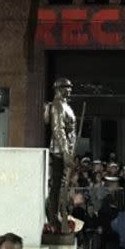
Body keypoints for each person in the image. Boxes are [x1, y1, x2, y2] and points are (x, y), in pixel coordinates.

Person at [44, 78, 77, 233]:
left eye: (70, 87)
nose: (69, 90)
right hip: (59, 151)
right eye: (66, 87)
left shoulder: (65, 105)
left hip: (66, 151)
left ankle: (57, 214)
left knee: (62, 185)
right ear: (58, 89)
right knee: (56, 186)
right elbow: (58, 130)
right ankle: (53, 218)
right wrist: (65, 152)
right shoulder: (57, 105)